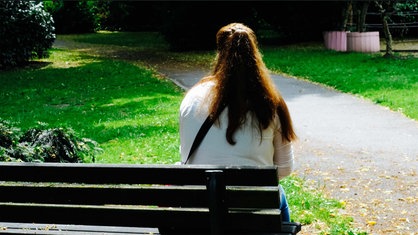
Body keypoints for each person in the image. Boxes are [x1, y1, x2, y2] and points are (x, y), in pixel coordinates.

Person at [179, 22, 297, 222]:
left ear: (219, 53)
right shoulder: (270, 103)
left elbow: (187, 157)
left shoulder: (192, 98)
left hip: (201, 207)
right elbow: (284, 169)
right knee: (279, 196)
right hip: (253, 209)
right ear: (256, 54)